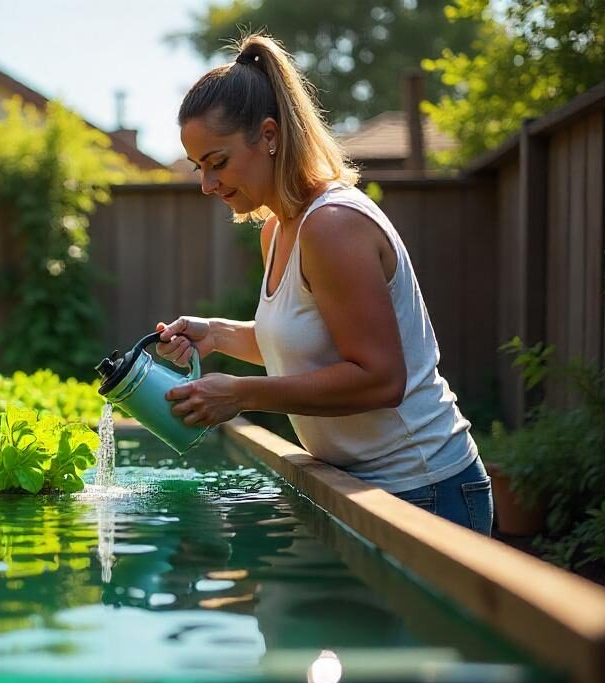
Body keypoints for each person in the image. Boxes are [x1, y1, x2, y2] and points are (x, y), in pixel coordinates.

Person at [155, 34, 493, 534]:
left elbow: (380, 378)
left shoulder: (332, 224)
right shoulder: (279, 228)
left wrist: (242, 394)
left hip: (425, 489)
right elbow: (306, 343)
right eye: (199, 167)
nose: (207, 184)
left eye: (218, 162)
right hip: (361, 487)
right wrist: (218, 335)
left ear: (268, 135)